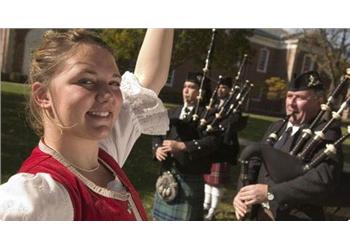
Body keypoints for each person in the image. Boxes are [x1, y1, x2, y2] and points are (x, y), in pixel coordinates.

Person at [0, 28, 174, 220]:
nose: (107, 94)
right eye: (87, 81)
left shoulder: (104, 156)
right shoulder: (38, 198)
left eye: (114, 83)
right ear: (43, 95)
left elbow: (147, 80)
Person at [233, 71, 343, 220]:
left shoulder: (327, 132)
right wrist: (242, 195)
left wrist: (271, 193)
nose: (291, 103)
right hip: (259, 215)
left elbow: (321, 180)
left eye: (300, 98)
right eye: (289, 96)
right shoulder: (276, 127)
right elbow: (253, 163)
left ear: (319, 101)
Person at [151, 72, 222, 220]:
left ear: (200, 91)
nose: (186, 90)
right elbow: (157, 133)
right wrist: (157, 148)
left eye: (191, 87)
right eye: (185, 86)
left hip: (189, 177)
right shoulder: (172, 112)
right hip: (166, 176)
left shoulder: (209, 115)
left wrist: (184, 146)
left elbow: (214, 142)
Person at [203, 76, 241, 220]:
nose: (221, 90)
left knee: (216, 182)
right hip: (211, 144)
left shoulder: (235, 106)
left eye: (224, 88)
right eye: (219, 87)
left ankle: (212, 210)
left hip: (224, 147)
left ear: (230, 91)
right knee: (207, 179)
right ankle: (206, 205)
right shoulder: (213, 103)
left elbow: (233, 123)